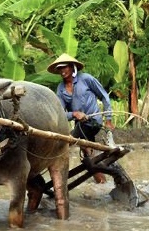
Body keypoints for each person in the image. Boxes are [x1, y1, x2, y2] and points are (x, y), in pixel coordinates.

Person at [47, 53, 115, 184]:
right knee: (87, 155)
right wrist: (74, 114)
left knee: (67, 142)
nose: (62, 71)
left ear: (72, 67)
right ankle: (102, 182)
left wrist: (108, 119)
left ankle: (57, 178)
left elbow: (104, 96)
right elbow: (60, 114)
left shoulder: (86, 79)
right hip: (80, 126)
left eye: (64, 67)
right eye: (60, 68)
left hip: (94, 122)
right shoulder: (61, 89)